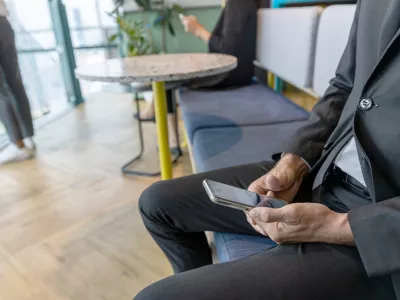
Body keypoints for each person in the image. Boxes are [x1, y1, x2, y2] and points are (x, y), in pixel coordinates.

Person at [135, 0, 400, 299]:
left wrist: (337, 225)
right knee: (156, 203)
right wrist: (294, 162)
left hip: (379, 220)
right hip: (324, 173)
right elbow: (345, 85)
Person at [136, 0, 261, 154]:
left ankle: (172, 141)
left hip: (230, 75)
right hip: (240, 71)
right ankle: (152, 112)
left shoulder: (238, 2)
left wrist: (197, 29)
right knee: (175, 69)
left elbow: (227, 50)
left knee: (169, 75)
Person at [0, 0, 35, 165]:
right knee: (15, 84)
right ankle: (28, 137)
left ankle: (18, 145)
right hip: (3, 24)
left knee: (1, 92)